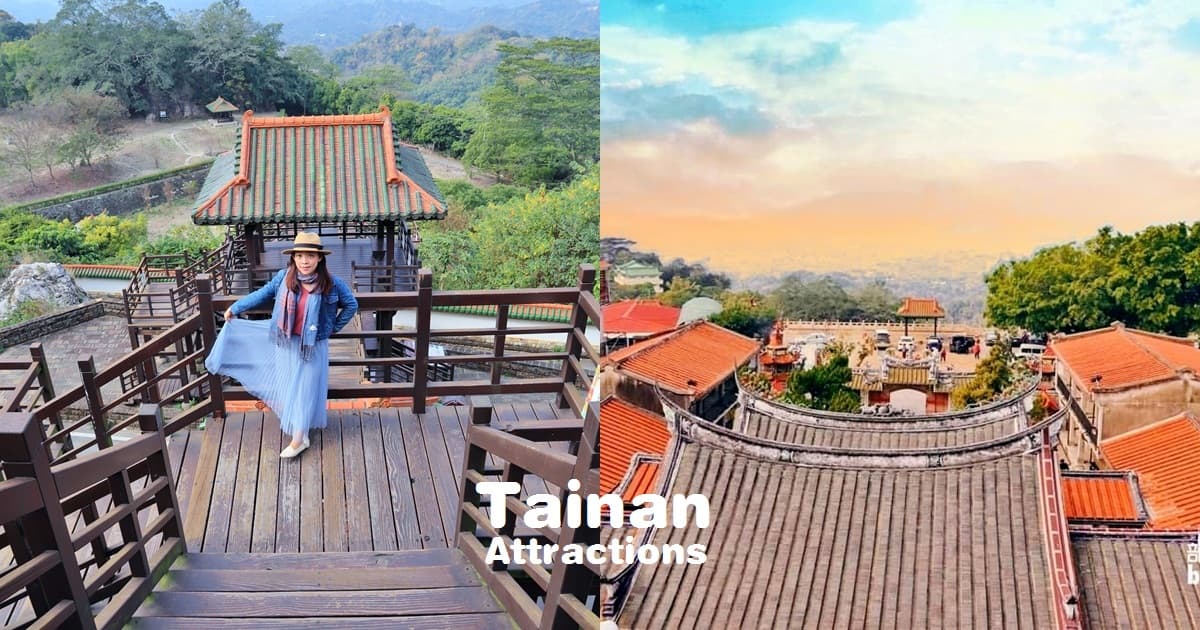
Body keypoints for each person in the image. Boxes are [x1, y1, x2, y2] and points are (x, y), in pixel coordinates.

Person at [205, 232, 358, 458]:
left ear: (319, 259)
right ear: (293, 258)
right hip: (285, 342)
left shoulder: (332, 284)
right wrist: (236, 307)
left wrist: (331, 328)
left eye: (310, 256)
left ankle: (298, 440)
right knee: (289, 387)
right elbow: (262, 294)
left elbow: (351, 305)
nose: (305, 261)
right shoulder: (283, 278)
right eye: (300, 256)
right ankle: (301, 431)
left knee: (305, 388)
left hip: (312, 346)